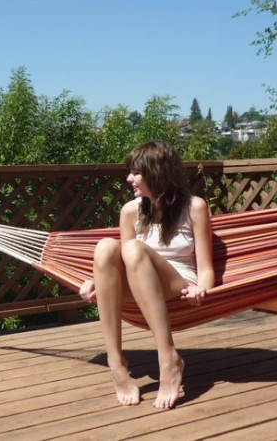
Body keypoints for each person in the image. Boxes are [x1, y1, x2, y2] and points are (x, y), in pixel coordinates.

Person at [79, 140, 214, 409]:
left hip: (178, 282)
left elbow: (206, 266)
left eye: (136, 172)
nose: (129, 179)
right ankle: (116, 363)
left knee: (133, 249)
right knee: (106, 247)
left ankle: (169, 358)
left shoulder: (194, 207)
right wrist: (98, 280)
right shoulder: (130, 211)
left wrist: (203, 287)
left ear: (156, 172)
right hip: (139, 283)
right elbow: (117, 262)